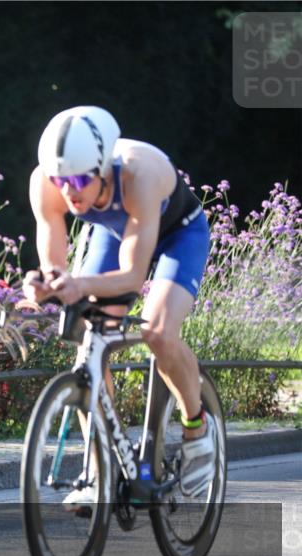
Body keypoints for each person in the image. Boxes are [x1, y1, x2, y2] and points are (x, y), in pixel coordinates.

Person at [22, 105, 216, 508]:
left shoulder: (138, 175)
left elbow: (131, 276)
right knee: (89, 346)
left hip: (178, 235)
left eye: (78, 180)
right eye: (61, 181)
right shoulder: (46, 183)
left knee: (157, 332)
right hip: (116, 232)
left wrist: (78, 283)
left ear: (102, 170)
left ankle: (198, 428)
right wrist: (44, 285)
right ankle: (100, 470)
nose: (70, 191)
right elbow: (56, 268)